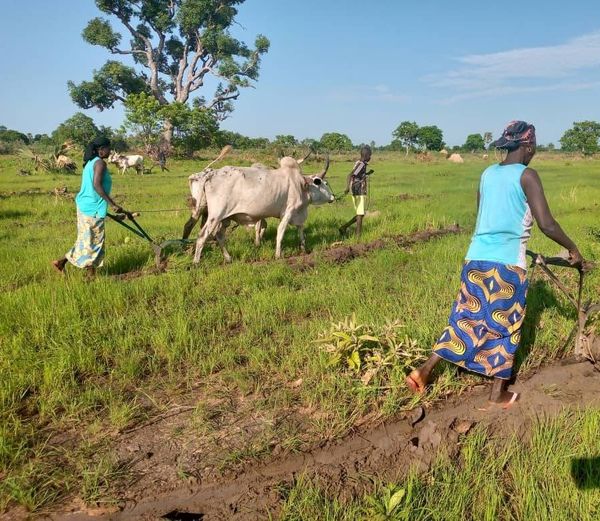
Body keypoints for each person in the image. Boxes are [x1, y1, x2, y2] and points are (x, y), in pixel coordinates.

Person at [405, 121, 584, 408]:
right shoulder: (528, 176)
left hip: (476, 258)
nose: (534, 150)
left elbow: (484, 216)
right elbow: (547, 224)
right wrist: (573, 249)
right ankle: (497, 393)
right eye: (534, 146)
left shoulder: (487, 174)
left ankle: (424, 371)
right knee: (506, 326)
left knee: (466, 317)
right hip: (507, 266)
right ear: (527, 145)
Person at [52, 136, 127, 277]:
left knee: (85, 239)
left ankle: (61, 262)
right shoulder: (100, 164)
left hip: (84, 205)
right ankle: (90, 277)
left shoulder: (90, 162)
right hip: (93, 207)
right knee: (94, 242)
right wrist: (113, 204)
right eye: (108, 148)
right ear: (100, 149)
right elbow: (97, 185)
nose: (110, 151)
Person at [339, 145, 374, 238]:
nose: (370, 157)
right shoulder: (361, 164)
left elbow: (357, 175)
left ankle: (344, 227)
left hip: (356, 188)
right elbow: (350, 175)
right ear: (366, 156)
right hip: (358, 189)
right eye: (370, 155)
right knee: (360, 214)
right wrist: (347, 187)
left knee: (360, 214)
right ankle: (358, 237)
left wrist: (367, 174)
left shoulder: (360, 163)